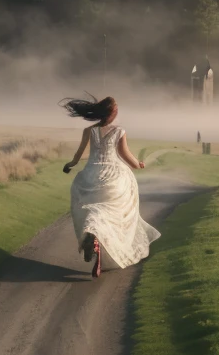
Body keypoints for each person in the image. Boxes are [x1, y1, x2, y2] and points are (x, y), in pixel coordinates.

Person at [61, 95, 160, 278]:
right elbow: (125, 154)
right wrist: (138, 164)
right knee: (112, 212)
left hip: (91, 175)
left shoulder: (89, 131)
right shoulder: (119, 131)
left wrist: (71, 164)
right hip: (113, 176)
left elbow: (78, 154)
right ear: (113, 113)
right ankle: (97, 238)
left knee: (93, 209)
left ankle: (93, 235)